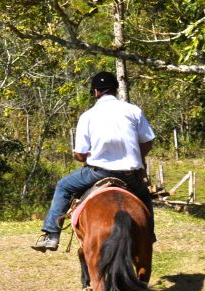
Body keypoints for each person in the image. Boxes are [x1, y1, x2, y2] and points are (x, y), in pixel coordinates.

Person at [31, 71, 156, 252]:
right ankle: (148, 234)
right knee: (144, 197)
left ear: (95, 92)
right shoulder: (133, 110)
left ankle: (52, 234)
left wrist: (87, 155)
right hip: (130, 175)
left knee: (63, 186)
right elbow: (148, 141)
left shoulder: (88, 116)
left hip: (99, 172)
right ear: (115, 90)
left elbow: (80, 155)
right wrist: (137, 157)